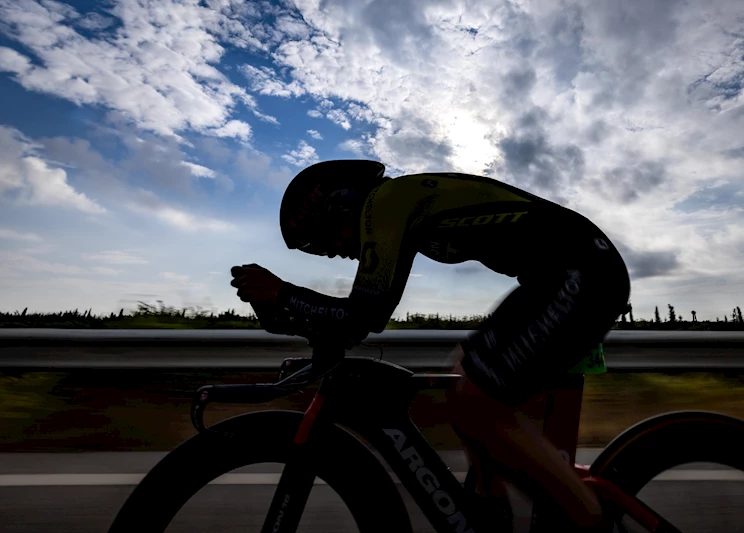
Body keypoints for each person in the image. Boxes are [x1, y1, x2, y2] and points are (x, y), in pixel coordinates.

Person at [230, 159, 631, 532]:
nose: (334, 253)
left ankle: (591, 524)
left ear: (340, 205)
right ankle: (491, 512)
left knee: (472, 395)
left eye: (326, 239)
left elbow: (362, 317)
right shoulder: (400, 207)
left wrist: (281, 292)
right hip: (569, 274)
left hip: (580, 273)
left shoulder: (386, 203)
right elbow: (349, 330)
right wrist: (277, 308)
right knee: (471, 389)